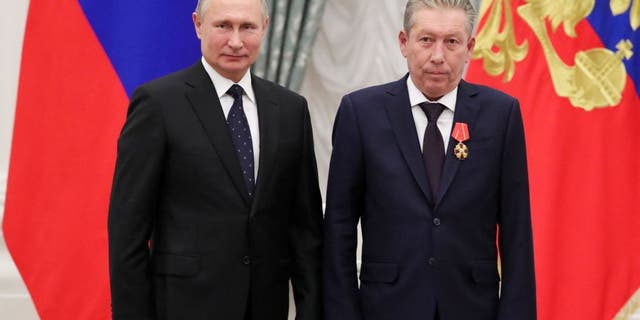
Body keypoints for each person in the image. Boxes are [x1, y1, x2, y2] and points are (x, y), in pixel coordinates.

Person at [108, 0, 323, 319]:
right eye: (223, 25)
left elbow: (305, 229)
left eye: (247, 27)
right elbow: (128, 230)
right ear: (198, 25)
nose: (236, 41)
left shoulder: (291, 109)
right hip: (183, 306)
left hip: (266, 306)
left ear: (264, 27)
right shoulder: (158, 104)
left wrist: (311, 310)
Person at [323, 0, 536, 319]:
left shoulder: (500, 115)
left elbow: (517, 230)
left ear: (469, 47)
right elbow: (339, 227)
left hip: (472, 307)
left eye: (451, 42)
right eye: (426, 40)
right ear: (404, 43)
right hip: (385, 307)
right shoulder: (361, 113)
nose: (438, 56)